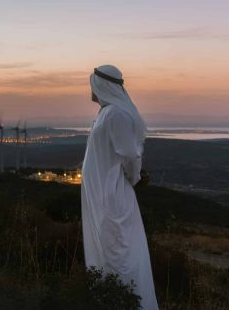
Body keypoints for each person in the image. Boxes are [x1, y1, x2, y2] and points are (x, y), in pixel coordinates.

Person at [81, 65, 158, 310]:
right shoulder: (106, 113)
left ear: (102, 85)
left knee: (118, 250)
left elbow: (130, 155)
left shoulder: (115, 114)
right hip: (102, 195)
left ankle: (127, 301)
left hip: (112, 196)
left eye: (92, 83)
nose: (90, 88)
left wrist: (134, 178)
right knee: (106, 248)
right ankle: (108, 298)